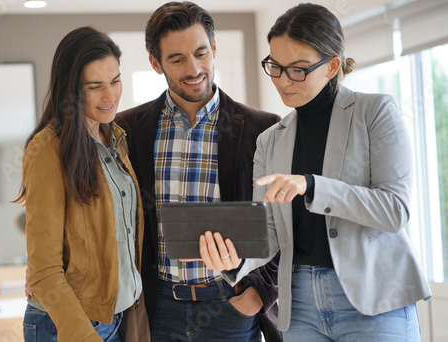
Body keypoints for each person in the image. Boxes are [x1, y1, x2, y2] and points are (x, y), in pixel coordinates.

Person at [199, 3, 432, 341]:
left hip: (372, 301)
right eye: (275, 67)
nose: (282, 80)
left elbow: (394, 210)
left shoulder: (375, 112)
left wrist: (311, 186)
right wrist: (233, 260)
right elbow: (268, 233)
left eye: (298, 69)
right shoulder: (269, 140)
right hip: (300, 304)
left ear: (332, 65)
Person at [114, 2, 283, 341]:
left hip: (231, 306)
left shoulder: (263, 129)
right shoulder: (127, 130)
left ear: (214, 48)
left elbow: (288, 222)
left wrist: (261, 294)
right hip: (157, 309)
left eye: (201, 53)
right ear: (155, 62)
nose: (194, 68)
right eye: (177, 59)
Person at [16, 26, 149, 341]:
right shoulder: (47, 150)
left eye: (115, 81)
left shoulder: (116, 138)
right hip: (69, 325)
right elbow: (44, 270)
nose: (110, 95)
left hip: (118, 318)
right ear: (71, 90)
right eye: (95, 86)